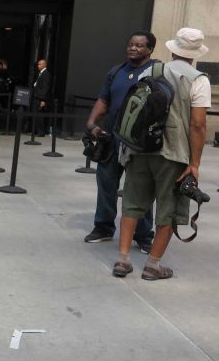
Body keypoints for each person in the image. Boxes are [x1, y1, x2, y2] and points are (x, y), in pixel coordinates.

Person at [113, 27, 210, 280]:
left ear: (173, 49)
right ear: (195, 53)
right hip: (173, 153)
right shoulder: (199, 79)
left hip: (140, 147)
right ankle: (153, 265)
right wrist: (195, 163)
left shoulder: (152, 70)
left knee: (132, 203)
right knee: (169, 209)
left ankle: (122, 260)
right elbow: (198, 124)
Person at [84, 31, 156, 251]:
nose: (133, 48)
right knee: (106, 182)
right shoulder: (116, 71)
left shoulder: (157, 72)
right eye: (130, 44)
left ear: (150, 49)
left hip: (139, 142)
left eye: (139, 45)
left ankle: (143, 235)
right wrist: (92, 123)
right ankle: (104, 227)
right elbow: (104, 99)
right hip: (112, 138)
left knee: (140, 189)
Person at [32, 58, 52, 136]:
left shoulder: (46, 74)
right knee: (36, 114)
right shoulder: (40, 73)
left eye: (40, 64)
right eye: (38, 64)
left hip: (40, 98)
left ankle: (41, 132)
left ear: (44, 65)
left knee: (39, 115)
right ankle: (36, 130)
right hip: (37, 96)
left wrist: (43, 100)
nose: (38, 65)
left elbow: (45, 88)